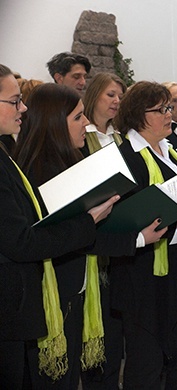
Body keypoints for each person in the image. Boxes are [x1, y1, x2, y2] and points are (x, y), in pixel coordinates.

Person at [13, 83, 163, 389]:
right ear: (55, 122)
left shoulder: (68, 159)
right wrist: (132, 238)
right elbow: (67, 235)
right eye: (78, 117)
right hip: (54, 291)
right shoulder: (42, 169)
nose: (87, 124)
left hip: (78, 288)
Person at [0, 64, 118, 389]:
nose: (22, 107)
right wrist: (90, 220)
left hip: (60, 291)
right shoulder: (33, 166)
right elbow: (23, 240)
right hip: (33, 297)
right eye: (14, 101)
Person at [111, 81, 177, 389]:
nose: (170, 114)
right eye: (161, 109)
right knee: (147, 362)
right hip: (143, 277)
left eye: (170, 108)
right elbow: (129, 223)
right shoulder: (125, 159)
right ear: (136, 115)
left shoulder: (171, 153)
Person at [79, 72, 128, 389]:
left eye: (120, 96)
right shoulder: (81, 138)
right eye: (110, 94)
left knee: (116, 336)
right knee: (95, 332)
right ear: (94, 95)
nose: (116, 101)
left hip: (122, 237)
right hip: (94, 241)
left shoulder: (122, 138)